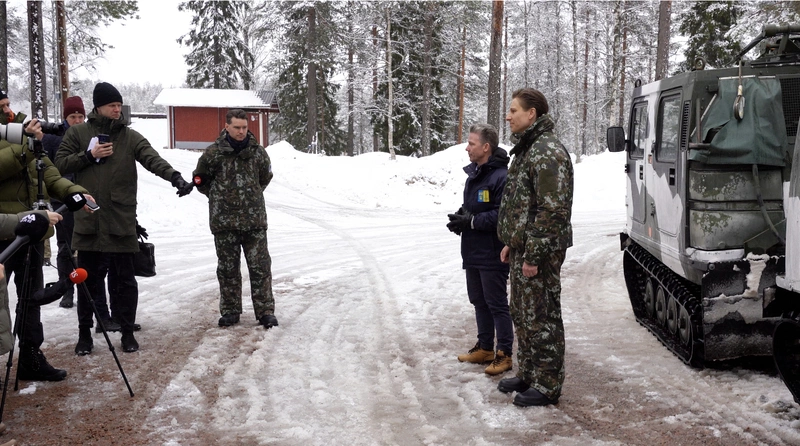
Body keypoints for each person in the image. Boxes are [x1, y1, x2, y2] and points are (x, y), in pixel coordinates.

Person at [55, 82, 193, 355]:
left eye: (119, 105)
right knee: (86, 281)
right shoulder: (79, 133)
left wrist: (175, 177)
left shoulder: (130, 138)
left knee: (125, 282)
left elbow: (152, 159)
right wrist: (88, 155)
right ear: (98, 107)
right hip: (89, 220)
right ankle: (84, 336)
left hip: (121, 218)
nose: (117, 110)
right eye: (112, 106)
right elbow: (59, 163)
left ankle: (127, 332)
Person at [0, 89, 91, 381]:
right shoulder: (18, 140)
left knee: (31, 298)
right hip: (3, 229)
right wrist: (26, 144)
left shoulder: (23, 139)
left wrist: (74, 192)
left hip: (31, 230)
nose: (9, 111)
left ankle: (30, 357)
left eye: (8, 105)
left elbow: (48, 174)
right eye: (2, 107)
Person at [496, 88, 573, 407]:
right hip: (525, 249)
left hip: (540, 251)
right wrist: (513, 244)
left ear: (532, 114)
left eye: (514, 110)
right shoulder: (527, 149)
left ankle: (547, 384)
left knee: (542, 315)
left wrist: (534, 255)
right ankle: (529, 373)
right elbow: (522, 205)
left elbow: (551, 210)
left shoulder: (546, 151)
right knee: (524, 313)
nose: (508, 115)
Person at [193, 108, 278, 329]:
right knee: (228, 269)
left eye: (244, 127)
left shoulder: (258, 153)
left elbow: (265, 177)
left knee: (260, 266)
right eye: (237, 127)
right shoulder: (213, 154)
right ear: (227, 127)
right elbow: (201, 180)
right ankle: (230, 311)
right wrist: (219, 195)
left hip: (254, 222)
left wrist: (250, 195)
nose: (241, 132)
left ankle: (265, 311)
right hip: (224, 222)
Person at [447, 123, 513, 376]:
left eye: (472, 143)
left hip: (493, 252)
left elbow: (502, 215)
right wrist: (462, 217)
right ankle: (485, 347)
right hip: (473, 250)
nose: (467, 147)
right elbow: (475, 207)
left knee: (496, 304)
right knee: (478, 301)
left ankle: (504, 353)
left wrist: (472, 221)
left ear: (486, 147)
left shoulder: (501, 176)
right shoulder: (475, 174)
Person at [25, 96, 86, 310]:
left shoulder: (89, 137)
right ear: (65, 117)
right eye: (73, 116)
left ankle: (87, 290)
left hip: (85, 198)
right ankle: (67, 289)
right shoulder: (52, 139)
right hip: (63, 201)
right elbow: (48, 169)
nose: (77, 120)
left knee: (86, 248)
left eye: (80, 116)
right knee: (65, 248)